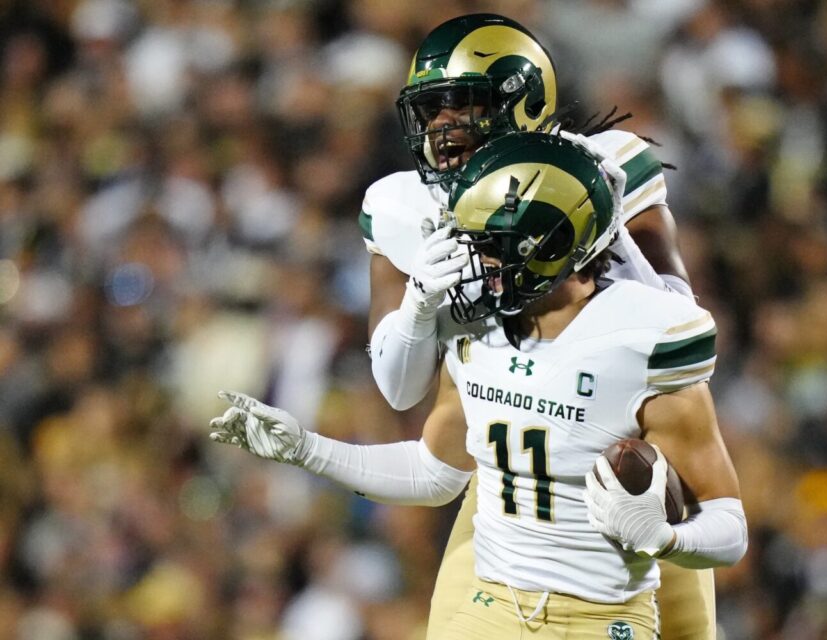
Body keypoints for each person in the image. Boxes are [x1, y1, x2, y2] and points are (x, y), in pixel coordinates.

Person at [211, 133, 747, 639]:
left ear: (556, 244)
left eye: (496, 244)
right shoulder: (474, 327)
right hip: (486, 610)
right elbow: (432, 472)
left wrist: (666, 538)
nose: (478, 261)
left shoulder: (644, 336)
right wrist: (307, 450)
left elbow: (729, 528)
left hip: (600, 619)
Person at [361, 13, 719, 639]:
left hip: (632, 464)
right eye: (432, 110)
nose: (442, 127)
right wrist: (421, 298)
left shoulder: (604, 165)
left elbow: (677, 315)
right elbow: (398, 388)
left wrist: (592, 219)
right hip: (512, 477)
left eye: (461, 106)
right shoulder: (400, 205)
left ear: (518, 103)